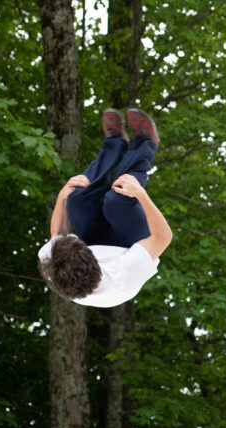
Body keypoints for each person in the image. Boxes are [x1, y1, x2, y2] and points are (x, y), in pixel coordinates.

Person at [38, 108, 172, 307]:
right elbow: (163, 237)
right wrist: (140, 194)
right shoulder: (123, 273)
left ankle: (115, 142)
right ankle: (146, 142)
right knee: (118, 199)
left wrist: (62, 196)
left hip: (94, 237)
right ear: (95, 261)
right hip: (128, 245)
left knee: (77, 197)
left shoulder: (54, 266)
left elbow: (58, 232)